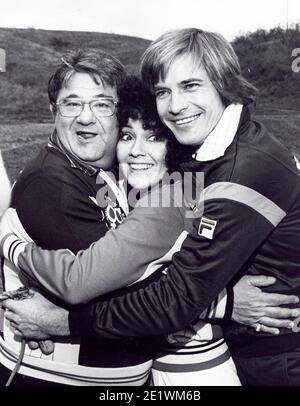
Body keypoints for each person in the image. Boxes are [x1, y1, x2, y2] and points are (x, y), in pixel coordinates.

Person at [1, 54, 300, 386]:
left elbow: (90, 284)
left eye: (154, 137)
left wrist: (9, 245)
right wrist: (224, 300)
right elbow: (111, 282)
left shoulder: (177, 193)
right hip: (145, 366)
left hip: (199, 366)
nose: (137, 150)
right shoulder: (105, 182)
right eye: (128, 136)